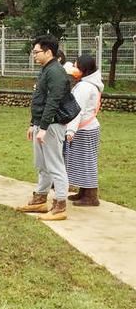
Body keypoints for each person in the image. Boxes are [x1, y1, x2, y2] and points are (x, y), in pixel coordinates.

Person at [16, 35, 72, 221]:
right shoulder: (46, 69)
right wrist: (34, 124)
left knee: (55, 165)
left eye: (36, 52)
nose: (34, 55)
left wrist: (44, 127)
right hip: (42, 124)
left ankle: (60, 205)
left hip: (52, 125)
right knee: (42, 164)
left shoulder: (55, 71)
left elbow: (53, 101)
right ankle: (40, 199)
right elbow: (39, 100)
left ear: (48, 52)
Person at [64, 55, 104, 206]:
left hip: (84, 129)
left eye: (76, 66)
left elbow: (76, 110)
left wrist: (71, 131)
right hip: (87, 127)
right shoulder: (89, 84)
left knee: (86, 161)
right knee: (82, 161)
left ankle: (91, 196)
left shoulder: (85, 87)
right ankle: (84, 192)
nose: (74, 68)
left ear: (84, 69)